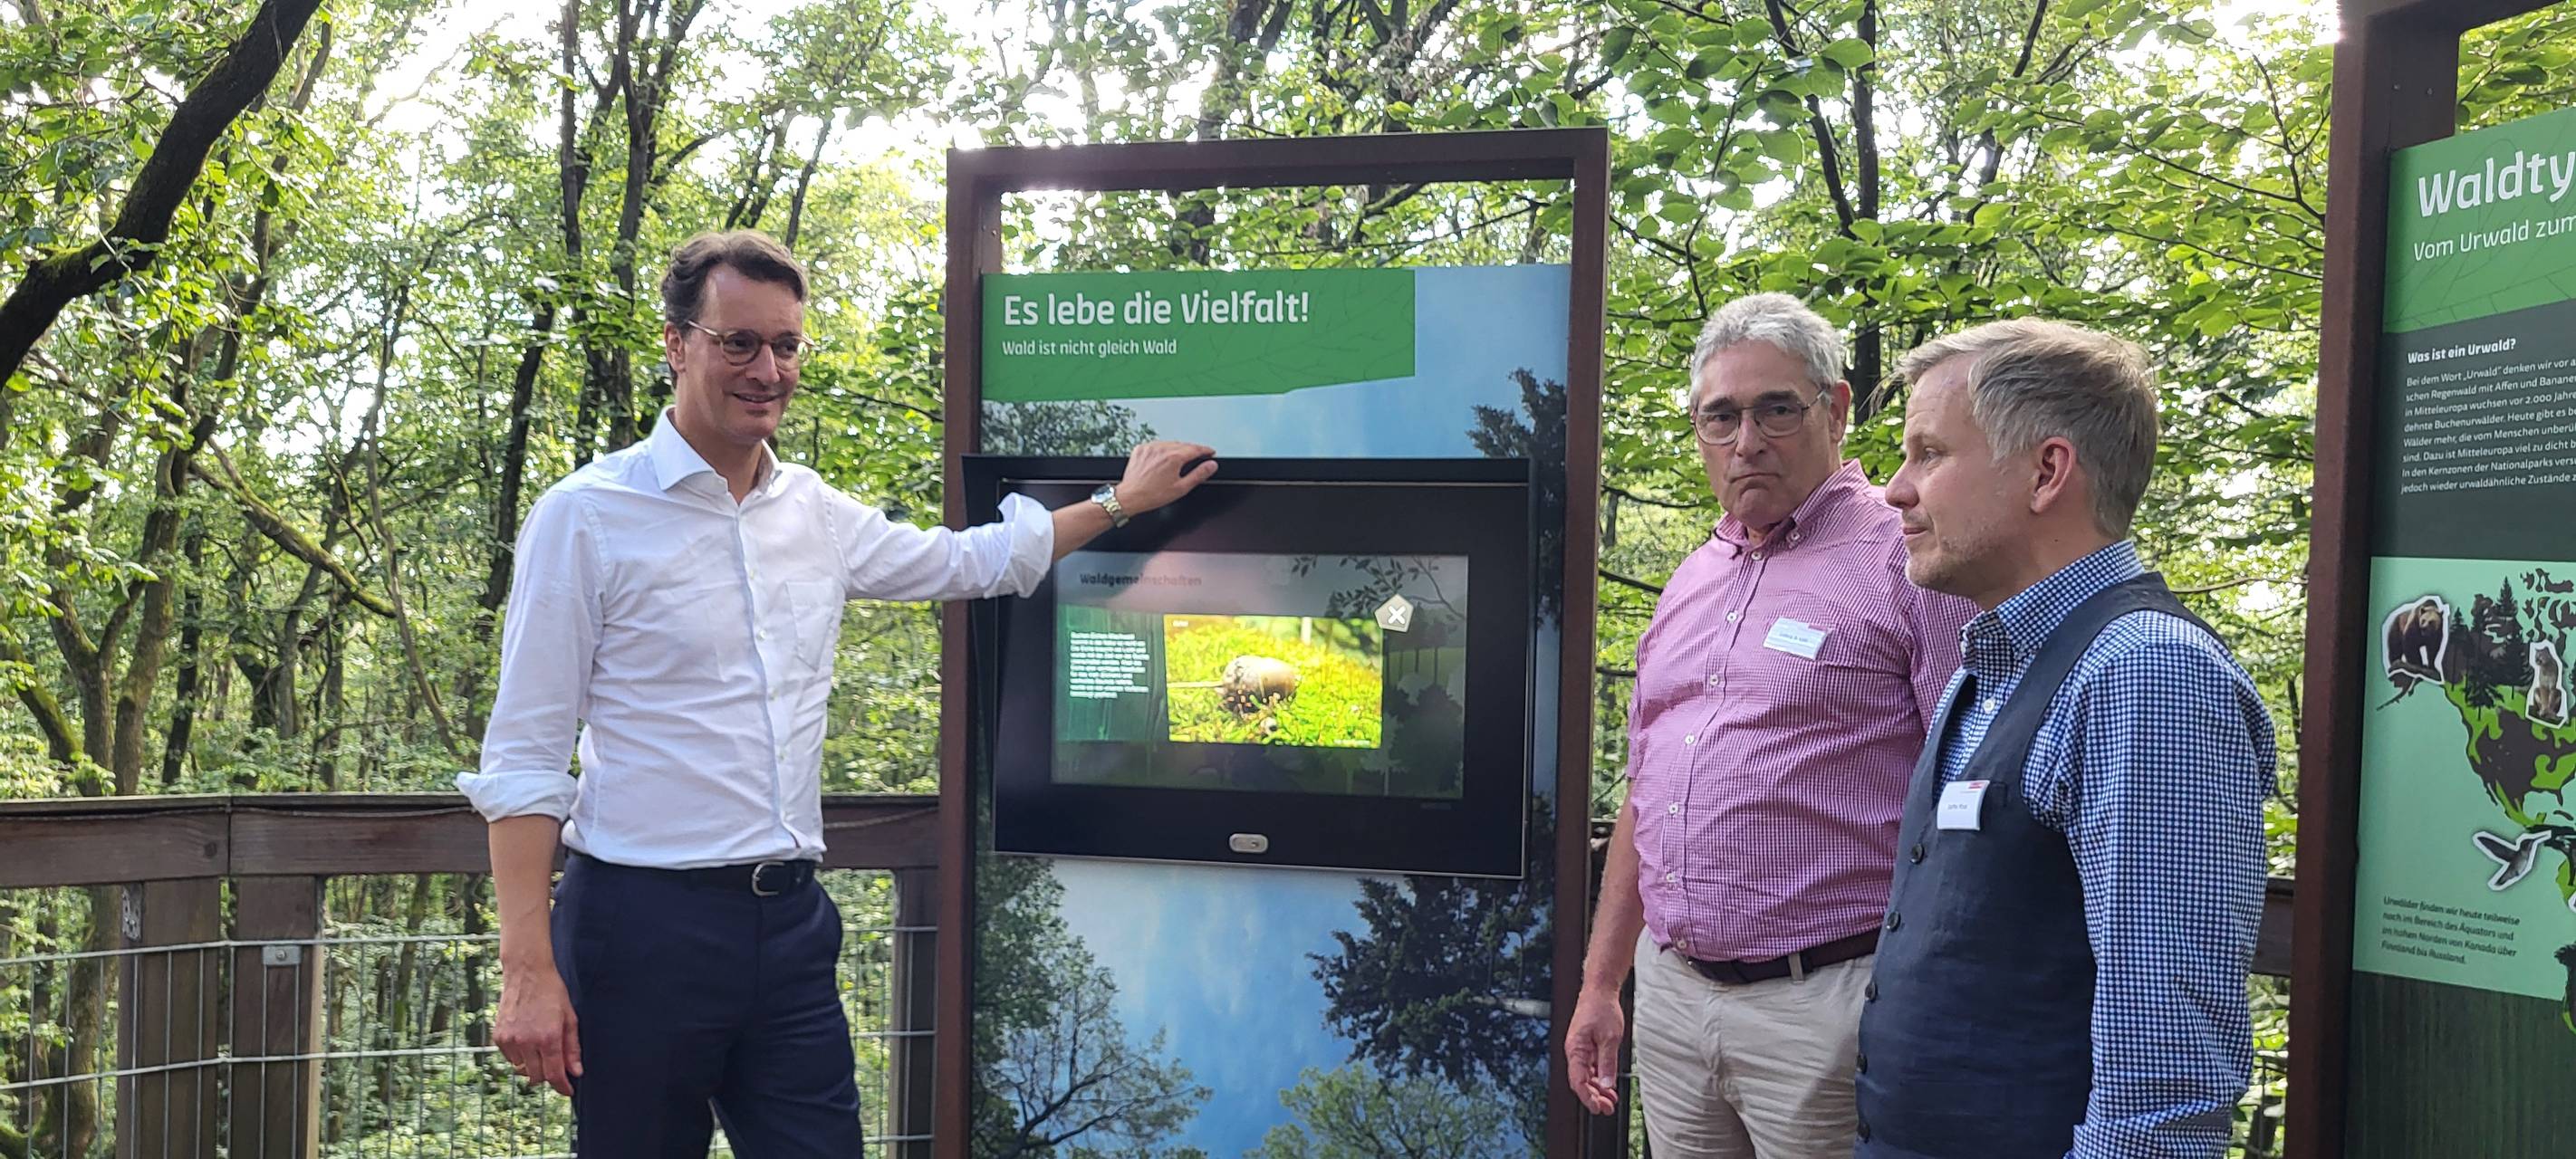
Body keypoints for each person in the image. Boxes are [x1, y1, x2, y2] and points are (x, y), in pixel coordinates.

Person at [457, 229, 1217, 1156]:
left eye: (785, 344)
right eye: (739, 341)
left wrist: (1120, 501)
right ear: (676, 343)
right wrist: (526, 967)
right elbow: (525, 757)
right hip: (640, 934)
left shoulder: (811, 510)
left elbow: (968, 559)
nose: (767, 368)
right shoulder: (586, 515)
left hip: (792, 932)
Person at [1563, 293, 1974, 1157]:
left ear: (1834, 407)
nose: (1746, 441)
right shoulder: (1692, 580)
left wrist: (1935, 997)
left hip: (1829, 1004)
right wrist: (1604, 981)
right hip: (1672, 1000)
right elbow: (1650, 793)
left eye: (1775, 409)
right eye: (1721, 417)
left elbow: (1972, 789)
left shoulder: (1910, 557)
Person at [1859, 320, 2277, 1158]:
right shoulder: (1994, 660)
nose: (1896, 490)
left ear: (2047, 472)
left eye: (1929, 454)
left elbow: (2166, 1075)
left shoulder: (2148, 678)